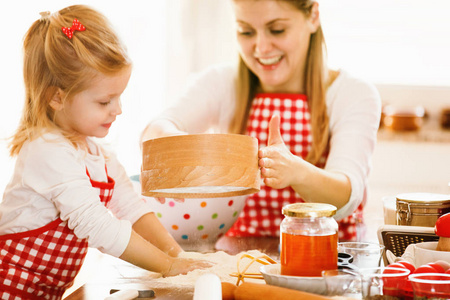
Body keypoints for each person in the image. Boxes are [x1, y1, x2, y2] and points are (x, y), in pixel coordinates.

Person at [0, 5, 210, 299]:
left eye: (120, 96)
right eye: (105, 101)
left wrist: (177, 255)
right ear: (56, 97)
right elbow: (97, 225)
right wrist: (167, 266)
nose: (119, 109)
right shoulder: (45, 151)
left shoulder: (100, 154)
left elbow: (131, 209)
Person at [141, 0, 381, 242]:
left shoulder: (352, 93)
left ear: (313, 17)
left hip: (330, 260)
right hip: (240, 260)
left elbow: (346, 196)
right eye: (246, 32)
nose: (262, 47)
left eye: (277, 30)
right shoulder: (220, 83)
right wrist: (181, 151)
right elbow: (155, 129)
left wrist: (295, 171)